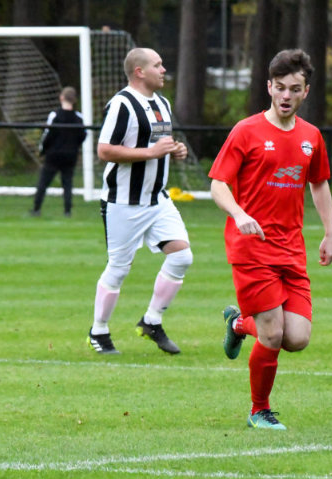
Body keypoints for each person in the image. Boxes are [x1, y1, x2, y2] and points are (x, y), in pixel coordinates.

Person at [210, 49, 332, 430]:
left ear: (305, 92)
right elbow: (218, 185)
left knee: (296, 338)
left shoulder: (311, 136)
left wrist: (330, 233)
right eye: (280, 87)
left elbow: (319, 183)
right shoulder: (246, 131)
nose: (286, 95)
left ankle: (238, 324)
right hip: (250, 247)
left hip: (291, 249)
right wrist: (239, 214)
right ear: (269, 87)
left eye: (294, 89)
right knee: (272, 331)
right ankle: (259, 410)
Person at [87, 48, 192, 356]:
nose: (163, 70)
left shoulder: (162, 103)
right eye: (157, 65)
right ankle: (98, 331)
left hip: (157, 200)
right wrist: (150, 153)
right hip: (123, 202)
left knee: (182, 257)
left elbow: (158, 145)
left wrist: (176, 149)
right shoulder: (122, 104)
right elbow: (105, 150)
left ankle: (151, 321)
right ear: (139, 72)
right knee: (119, 269)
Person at [30, 87, 87, 217]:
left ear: (61, 97)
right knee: (67, 183)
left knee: (43, 182)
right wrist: (74, 147)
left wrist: (43, 149)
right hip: (70, 155)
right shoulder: (79, 117)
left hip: (53, 155)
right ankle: (67, 211)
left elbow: (47, 134)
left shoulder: (54, 115)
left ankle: (36, 208)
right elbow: (83, 135)